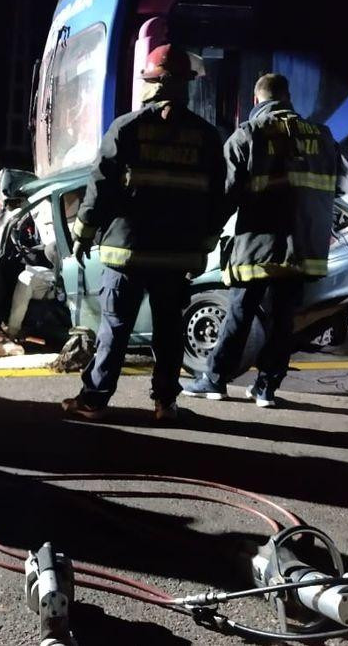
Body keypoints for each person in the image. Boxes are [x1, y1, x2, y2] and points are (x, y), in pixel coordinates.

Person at [61, 44, 226, 421]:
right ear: (186, 86)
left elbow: (100, 186)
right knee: (168, 331)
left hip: (127, 252)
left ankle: (94, 401)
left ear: (152, 84)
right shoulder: (206, 137)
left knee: (115, 329)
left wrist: (84, 234)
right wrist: (204, 245)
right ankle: (165, 403)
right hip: (176, 255)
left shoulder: (127, 128)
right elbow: (217, 198)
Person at [184, 73, 348, 407]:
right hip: (302, 248)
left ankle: (214, 379)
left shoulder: (249, 135)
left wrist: (201, 245)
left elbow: (223, 198)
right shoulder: (323, 136)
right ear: (288, 98)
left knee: (240, 312)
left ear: (256, 101)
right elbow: (337, 188)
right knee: (283, 319)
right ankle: (266, 388)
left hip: (258, 245)